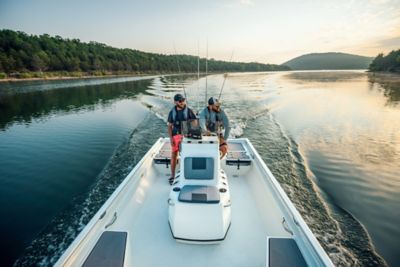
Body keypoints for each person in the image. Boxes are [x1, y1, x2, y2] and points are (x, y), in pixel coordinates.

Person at [167, 93, 196, 185]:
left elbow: (195, 123)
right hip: (176, 136)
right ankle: (172, 175)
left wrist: (191, 131)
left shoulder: (189, 111)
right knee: (174, 154)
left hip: (187, 136)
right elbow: (169, 126)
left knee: (188, 154)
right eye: (180, 101)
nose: (183, 102)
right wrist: (171, 138)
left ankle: (189, 173)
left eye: (183, 100)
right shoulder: (172, 112)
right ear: (176, 102)